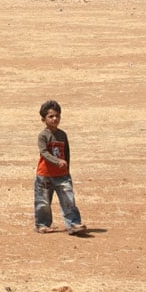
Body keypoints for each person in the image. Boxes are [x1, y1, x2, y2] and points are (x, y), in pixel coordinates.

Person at [34, 99, 87, 235]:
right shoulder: (43, 136)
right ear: (43, 119)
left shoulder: (62, 135)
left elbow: (67, 152)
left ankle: (74, 224)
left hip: (62, 175)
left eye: (57, 115)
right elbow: (44, 153)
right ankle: (43, 225)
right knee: (43, 202)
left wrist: (66, 169)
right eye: (51, 116)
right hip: (44, 175)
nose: (54, 118)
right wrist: (57, 161)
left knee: (68, 199)